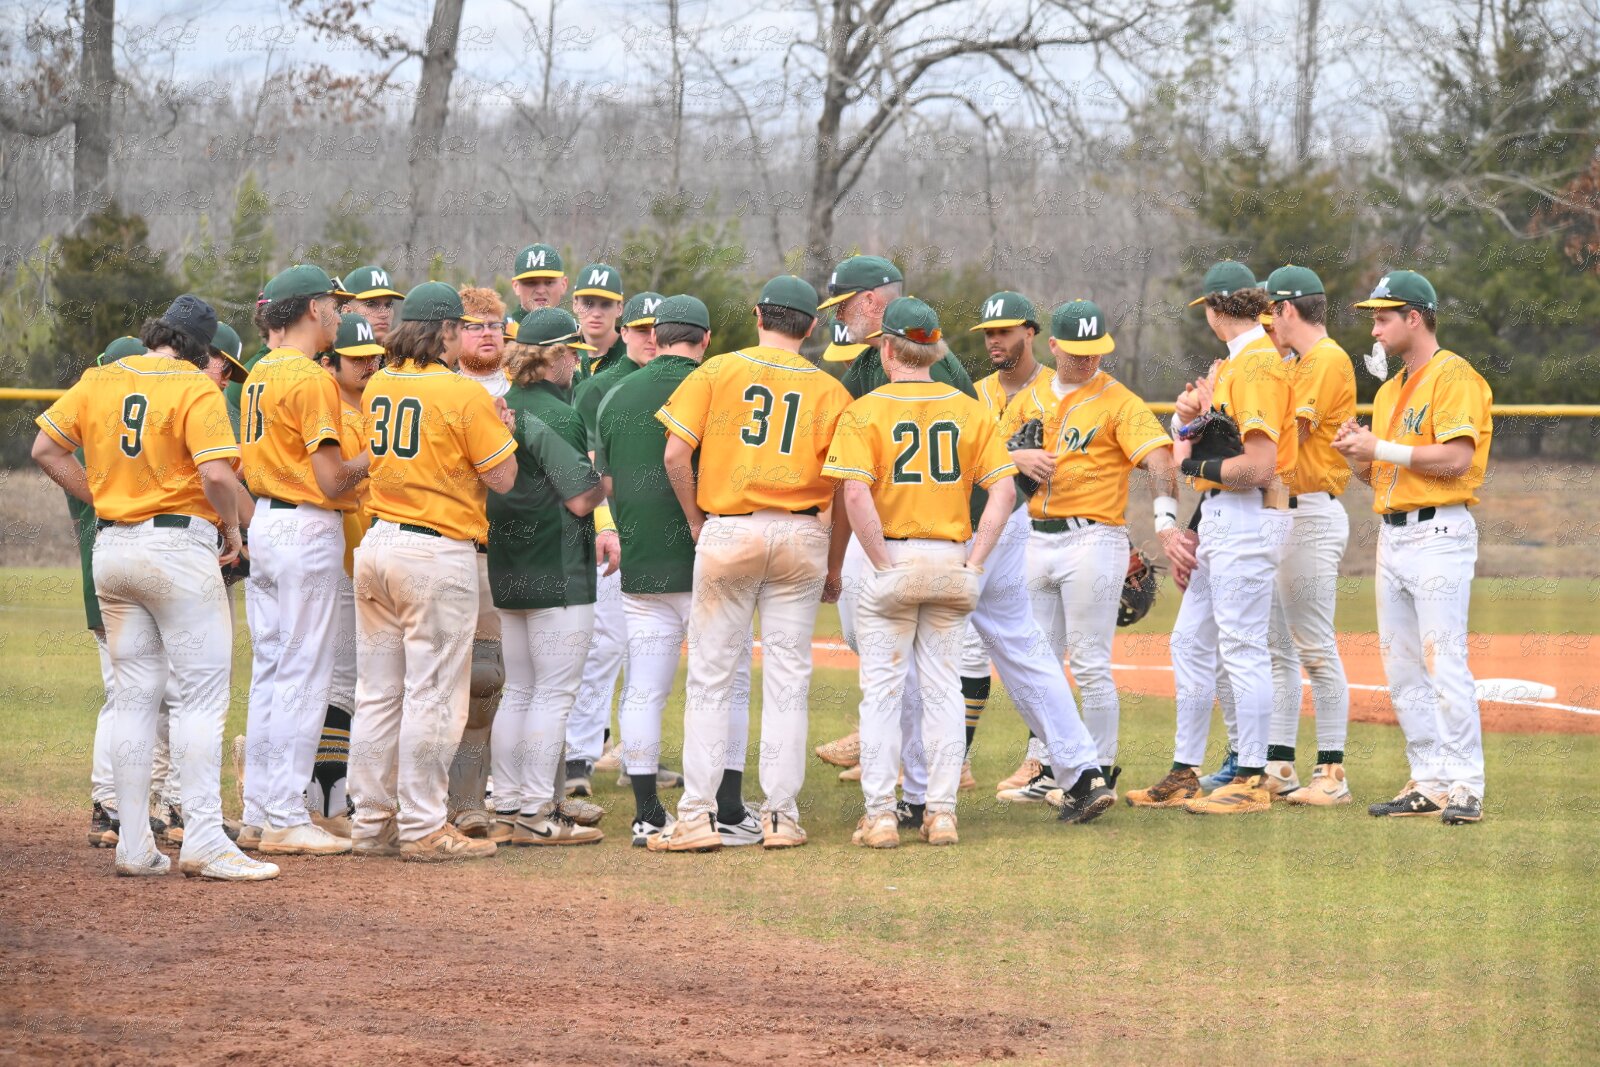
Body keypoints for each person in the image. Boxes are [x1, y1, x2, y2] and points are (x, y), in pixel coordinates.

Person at [32, 295, 277, 881]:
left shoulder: (99, 379)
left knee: (134, 700)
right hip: (176, 549)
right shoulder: (196, 386)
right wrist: (233, 528)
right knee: (200, 699)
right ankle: (205, 841)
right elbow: (217, 473)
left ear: (157, 333)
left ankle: (134, 844)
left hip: (112, 550)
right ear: (202, 348)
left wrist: (104, 499)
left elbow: (45, 449)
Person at [650, 276, 852, 852]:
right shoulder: (831, 390)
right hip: (801, 531)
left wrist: (696, 520)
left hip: (731, 527)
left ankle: (696, 816)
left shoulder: (717, 370)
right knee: (788, 680)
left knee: (711, 678)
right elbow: (843, 489)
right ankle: (782, 817)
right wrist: (834, 565)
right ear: (811, 326)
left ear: (759, 315)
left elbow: (674, 454)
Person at [821, 297, 1027, 848]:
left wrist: (881, 562)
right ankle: (941, 813)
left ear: (888, 349)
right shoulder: (970, 408)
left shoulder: (866, 410)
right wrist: (976, 562)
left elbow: (854, 494)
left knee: (882, 694)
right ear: (936, 350)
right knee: (943, 691)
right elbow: (1004, 492)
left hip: (892, 555)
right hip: (949, 557)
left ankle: (881, 816)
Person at [347, 282, 519, 861]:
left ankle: (371, 823)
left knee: (378, 694)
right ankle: (422, 825)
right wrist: (502, 429)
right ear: (446, 330)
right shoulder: (462, 392)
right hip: (434, 550)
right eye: (458, 327)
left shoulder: (380, 383)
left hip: (377, 544)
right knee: (435, 695)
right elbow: (502, 478)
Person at [994, 299, 1187, 806]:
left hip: (1092, 539)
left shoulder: (1118, 401)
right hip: (1032, 537)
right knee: (1037, 665)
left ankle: (1097, 773)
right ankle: (1055, 769)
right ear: (1053, 346)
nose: (1087, 360)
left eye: (1095, 350)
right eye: (1077, 351)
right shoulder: (1028, 397)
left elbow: (1160, 459)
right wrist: (1016, 456)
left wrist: (1166, 522)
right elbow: (987, 458)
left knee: (1089, 664)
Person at [1126, 261, 1296, 815]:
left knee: (1243, 646)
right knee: (1189, 642)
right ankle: (1185, 772)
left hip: (1251, 514)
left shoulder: (1258, 365)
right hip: (1223, 516)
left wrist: (1191, 464)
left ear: (1216, 310)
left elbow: (1261, 466)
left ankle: (1251, 778)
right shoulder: (1233, 365)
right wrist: (1188, 422)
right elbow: (1218, 446)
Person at [595, 294, 755, 847]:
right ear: (705, 339)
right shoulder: (719, 385)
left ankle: (646, 812)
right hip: (711, 554)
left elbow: (607, 484)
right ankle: (727, 807)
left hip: (642, 560)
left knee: (644, 688)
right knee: (728, 685)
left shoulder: (616, 393)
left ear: (654, 336)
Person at [1333, 270, 1492, 825]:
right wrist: (1359, 454)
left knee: (1443, 663)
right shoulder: (1389, 390)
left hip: (1439, 534)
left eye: (1383, 318)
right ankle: (1428, 780)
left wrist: (1380, 447)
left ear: (1415, 317)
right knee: (1402, 671)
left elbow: (1457, 459)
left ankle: (1466, 785)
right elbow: (1382, 475)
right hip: (1394, 535)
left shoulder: (1454, 376)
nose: (1374, 330)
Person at [812, 254, 976, 774]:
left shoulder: (928, 358)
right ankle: (906, 756)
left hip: (939, 527)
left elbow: (967, 458)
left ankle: (926, 766)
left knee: (946, 659)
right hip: (895, 529)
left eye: (844, 305)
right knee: (880, 643)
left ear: (870, 300)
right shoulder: (866, 363)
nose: (839, 316)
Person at [237, 264, 369, 856]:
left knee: (270, 672)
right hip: (306, 526)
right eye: (333, 304)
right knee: (304, 674)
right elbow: (333, 479)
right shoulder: (311, 378)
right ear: (313, 309)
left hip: (266, 521)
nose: (339, 313)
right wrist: (378, 455)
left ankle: (257, 812)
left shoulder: (260, 369)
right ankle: (287, 813)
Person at [482, 306, 609, 845]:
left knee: (519, 690)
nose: (576, 363)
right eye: (571, 353)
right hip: (556, 566)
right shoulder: (556, 412)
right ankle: (536, 812)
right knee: (553, 694)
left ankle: (509, 805)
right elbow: (581, 499)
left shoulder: (502, 404)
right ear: (553, 356)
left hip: (508, 563)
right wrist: (608, 476)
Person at [569, 290, 687, 794]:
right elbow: (587, 471)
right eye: (641, 330)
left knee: (647, 659)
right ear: (627, 332)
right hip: (611, 536)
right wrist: (604, 525)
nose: (650, 338)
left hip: (661, 541)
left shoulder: (685, 385)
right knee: (603, 647)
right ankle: (578, 757)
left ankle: (637, 759)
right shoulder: (603, 387)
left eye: (656, 330)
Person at [1257, 265, 1358, 806]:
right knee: (1279, 651)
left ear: (1287, 309)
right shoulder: (1296, 361)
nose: (1268, 323)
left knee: (1314, 649)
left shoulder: (1326, 358)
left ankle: (1333, 774)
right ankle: (1279, 767)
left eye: (1270, 312)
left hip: (1310, 514)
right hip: (1283, 513)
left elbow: (1290, 431)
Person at [310, 313, 385, 835]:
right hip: (338, 557)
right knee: (338, 678)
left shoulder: (382, 403)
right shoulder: (326, 408)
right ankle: (329, 793)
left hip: (372, 556)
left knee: (364, 680)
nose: (367, 365)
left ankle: (337, 790)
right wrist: (375, 455)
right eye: (355, 358)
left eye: (372, 356)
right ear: (330, 363)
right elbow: (334, 480)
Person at [444, 286, 515, 838]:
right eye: (474, 325)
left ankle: (486, 796)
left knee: (493, 679)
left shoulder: (523, 386)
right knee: (452, 678)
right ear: (453, 333)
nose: (486, 333)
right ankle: (435, 799)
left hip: (517, 545)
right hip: (454, 544)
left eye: (494, 324)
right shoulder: (440, 386)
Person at [562, 264, 633, 794]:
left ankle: (628, 753)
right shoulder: (573, 366)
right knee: (598, 641)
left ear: (619, 311)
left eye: (605, 303)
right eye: (587, 302)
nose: (594, 311)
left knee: (629, 643)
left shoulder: (627, 369)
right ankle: (577, 754)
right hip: (582, 514)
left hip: (629, 517)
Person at [338, 265, 405, 342]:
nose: (384, 314)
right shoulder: (328, 348)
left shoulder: (406, 349)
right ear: (347, 311)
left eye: (388, 305)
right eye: (371, 305)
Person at [508, 243, 568, 326]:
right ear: (516, 286)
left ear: (563, 285)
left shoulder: (574, 330)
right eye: (531, 283)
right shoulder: (501, 331)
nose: (541, 291)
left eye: (549, 282)